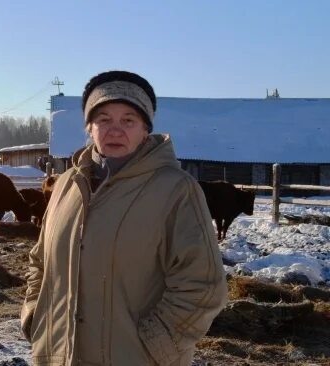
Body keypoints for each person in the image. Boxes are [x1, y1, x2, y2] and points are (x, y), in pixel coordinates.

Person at [21, 70, 227, 365]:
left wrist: (154, 345)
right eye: (103, 119)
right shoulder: (66, 184)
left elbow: (204, 285)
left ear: (145, 129)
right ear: (89, 128)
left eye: (128, 120)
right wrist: (34, 316)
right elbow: (39, 261)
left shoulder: (176, 190)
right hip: (58, 355)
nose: (115, 130)